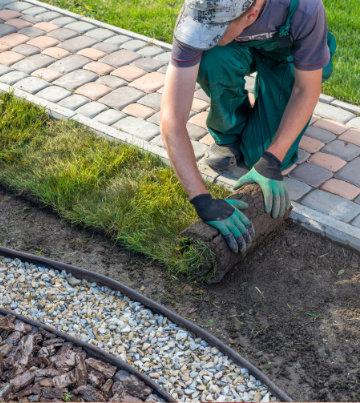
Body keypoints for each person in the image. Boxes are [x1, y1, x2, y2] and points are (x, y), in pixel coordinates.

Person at [160, 0, 335, 254]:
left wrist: (271, 160)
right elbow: (171, 118)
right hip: (234, 47)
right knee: (211, 56)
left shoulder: (305, 7)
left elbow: (307, 89)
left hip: (286, 54)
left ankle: (270, 97)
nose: (203, 35)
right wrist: (202, 200)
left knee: (262, 156)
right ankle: (228, 133)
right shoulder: (201, 11)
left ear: (252, 14)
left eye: (214, 30)